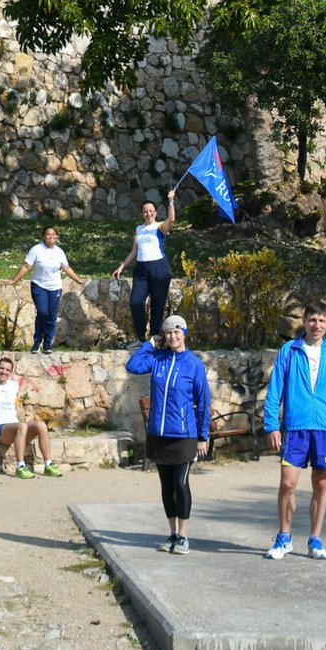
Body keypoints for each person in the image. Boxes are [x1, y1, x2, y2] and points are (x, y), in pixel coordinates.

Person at [262, 301, 326, 562]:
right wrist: (271, 425)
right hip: (296, 427)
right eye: (312, 320)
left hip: (325, 428)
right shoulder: (289, 351)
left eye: (322, 320)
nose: (317, 325)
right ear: (304, 322)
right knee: (287, 483)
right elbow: (274, 391)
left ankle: (315, 539)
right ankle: (284, 537)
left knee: (321, 485)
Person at [125, 314, 210, 554]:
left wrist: (203, 436)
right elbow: (133, 366)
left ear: (184, 333)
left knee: (180, 485)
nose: (173, 336)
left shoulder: (194, 364)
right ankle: (172, 533)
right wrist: (150, 344)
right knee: (166, 486)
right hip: (158, 434)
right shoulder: (157, 359)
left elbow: (203, 402)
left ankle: (183, 536)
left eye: (176, 332)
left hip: (184, 435)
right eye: (168, 333)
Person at [0, 356, 62, 478]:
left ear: (11, 372)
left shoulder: (14, 386)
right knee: (22, 426)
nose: (4, 372)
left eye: (7, 370)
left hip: (16, 428)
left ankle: (48, 465)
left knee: (41, 425)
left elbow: (16, 409)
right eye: (1, 368)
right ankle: (20, 467)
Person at [9, 224, 88, 352]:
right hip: (39, 285)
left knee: (51, 315)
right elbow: (26, 266)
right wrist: (14, 280)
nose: (51, 236)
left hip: (54, 287)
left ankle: (47, 344)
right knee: (42, 312)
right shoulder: (36, 250)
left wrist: (78, 280)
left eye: (53, 234)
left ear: (56, 237)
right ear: (43, 237)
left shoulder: (59, 252)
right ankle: (37, 342)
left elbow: (66, 268)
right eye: (48, 234)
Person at [112, 192, 177, 343]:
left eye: (151, 211)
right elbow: (134, 251)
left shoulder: (159, 227)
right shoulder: (139, 229)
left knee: (157, 305)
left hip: (159, 268)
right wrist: (121, 267)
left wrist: (171, 201)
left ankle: (154, 338)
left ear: (155, 213)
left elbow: (171, 220)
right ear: (142, 214)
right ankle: (141, 337)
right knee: (135, 302)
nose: (148, 214)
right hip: (141, 269)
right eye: (145, 212)